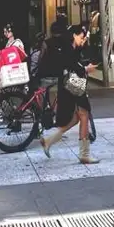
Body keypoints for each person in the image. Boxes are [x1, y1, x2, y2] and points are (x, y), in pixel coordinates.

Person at [39, 25, 98, 164]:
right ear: (74, 35)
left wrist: (82, 48)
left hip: (69, 84)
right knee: (84, 114)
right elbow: (71, 65)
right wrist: (86, 69)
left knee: (76, 118)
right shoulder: (67, 48)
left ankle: (48, 140)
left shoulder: (72, 47)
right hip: (72, 83)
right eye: (81, 37)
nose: (83, 40)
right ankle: (84, 154)